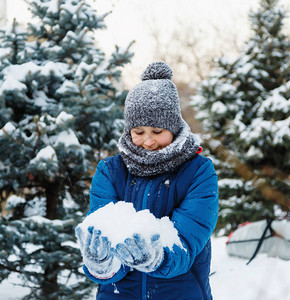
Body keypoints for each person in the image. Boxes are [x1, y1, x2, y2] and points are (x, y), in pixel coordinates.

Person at [75, 61, 219, 299]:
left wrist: (158, 256)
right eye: (139, 132)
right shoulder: (111, 171)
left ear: (173, 128)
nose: (148, 141)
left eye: (157, 132)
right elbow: (105, 233)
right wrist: (102, 264)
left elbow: (187, 241)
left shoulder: (198, 172)